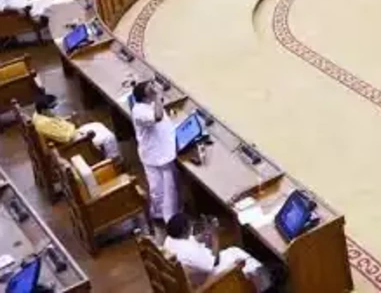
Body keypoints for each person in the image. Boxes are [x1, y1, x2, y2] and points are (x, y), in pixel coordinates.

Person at [163, 213, 271, 291]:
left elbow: (191, 240)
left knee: (234, 250)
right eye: (190, 225)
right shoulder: (189, 251)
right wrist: (215, 235)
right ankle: (266, 287)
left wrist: (206, 232)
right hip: (215, 278)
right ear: (184, 229)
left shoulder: (170, 240)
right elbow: (215, 261)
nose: (192, 226)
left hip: (199, 272)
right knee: (249, 264)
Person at [130, 80, 179, 223]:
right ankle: (162, 218)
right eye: (149, 89)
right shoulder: (139, 112)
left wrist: (158, 93)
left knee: (170, 187)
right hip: (155, 155)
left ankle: (172, 214)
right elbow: (158, 116)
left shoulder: (149, 103)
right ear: (145, 96)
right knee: (159, 190)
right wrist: (157, 95)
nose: (153, 89)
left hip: (164, 150)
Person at [32, 94, 119, 159]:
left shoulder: (40, 114)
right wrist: (73, 128)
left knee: (98, 124)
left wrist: (70, 126)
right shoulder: (44, 123)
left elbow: (62, 124)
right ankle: (112, 160)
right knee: (109, 137)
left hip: (75, 133)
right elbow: (66, 138)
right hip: (77, 142)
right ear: (43, 110)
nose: (56, 108)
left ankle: (109, 153)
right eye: (53, 107)